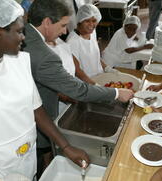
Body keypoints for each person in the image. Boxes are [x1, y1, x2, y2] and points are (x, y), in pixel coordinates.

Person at [0, 0, 91, 180]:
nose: (24, 37)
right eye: (19, 32)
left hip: (27, 161)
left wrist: (66, 147)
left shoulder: (20, 62)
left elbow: (37, 110)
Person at [23, 0, 133, 176]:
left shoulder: (26, 33)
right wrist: (117, 93)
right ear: (46, 23)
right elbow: (79, 90)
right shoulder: (44, 56)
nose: (65, 31)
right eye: (63, 25)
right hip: (32, 121)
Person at [67, 4, 117, 77]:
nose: (91, 25)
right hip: (87, 82)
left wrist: (107, 68)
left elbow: (95, 56)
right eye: (87, 21)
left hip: (99, 75)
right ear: (80, 21)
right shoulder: (72, 41)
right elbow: (77, 71)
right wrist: (94, 84)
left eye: (94, 21)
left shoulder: (92, 33)